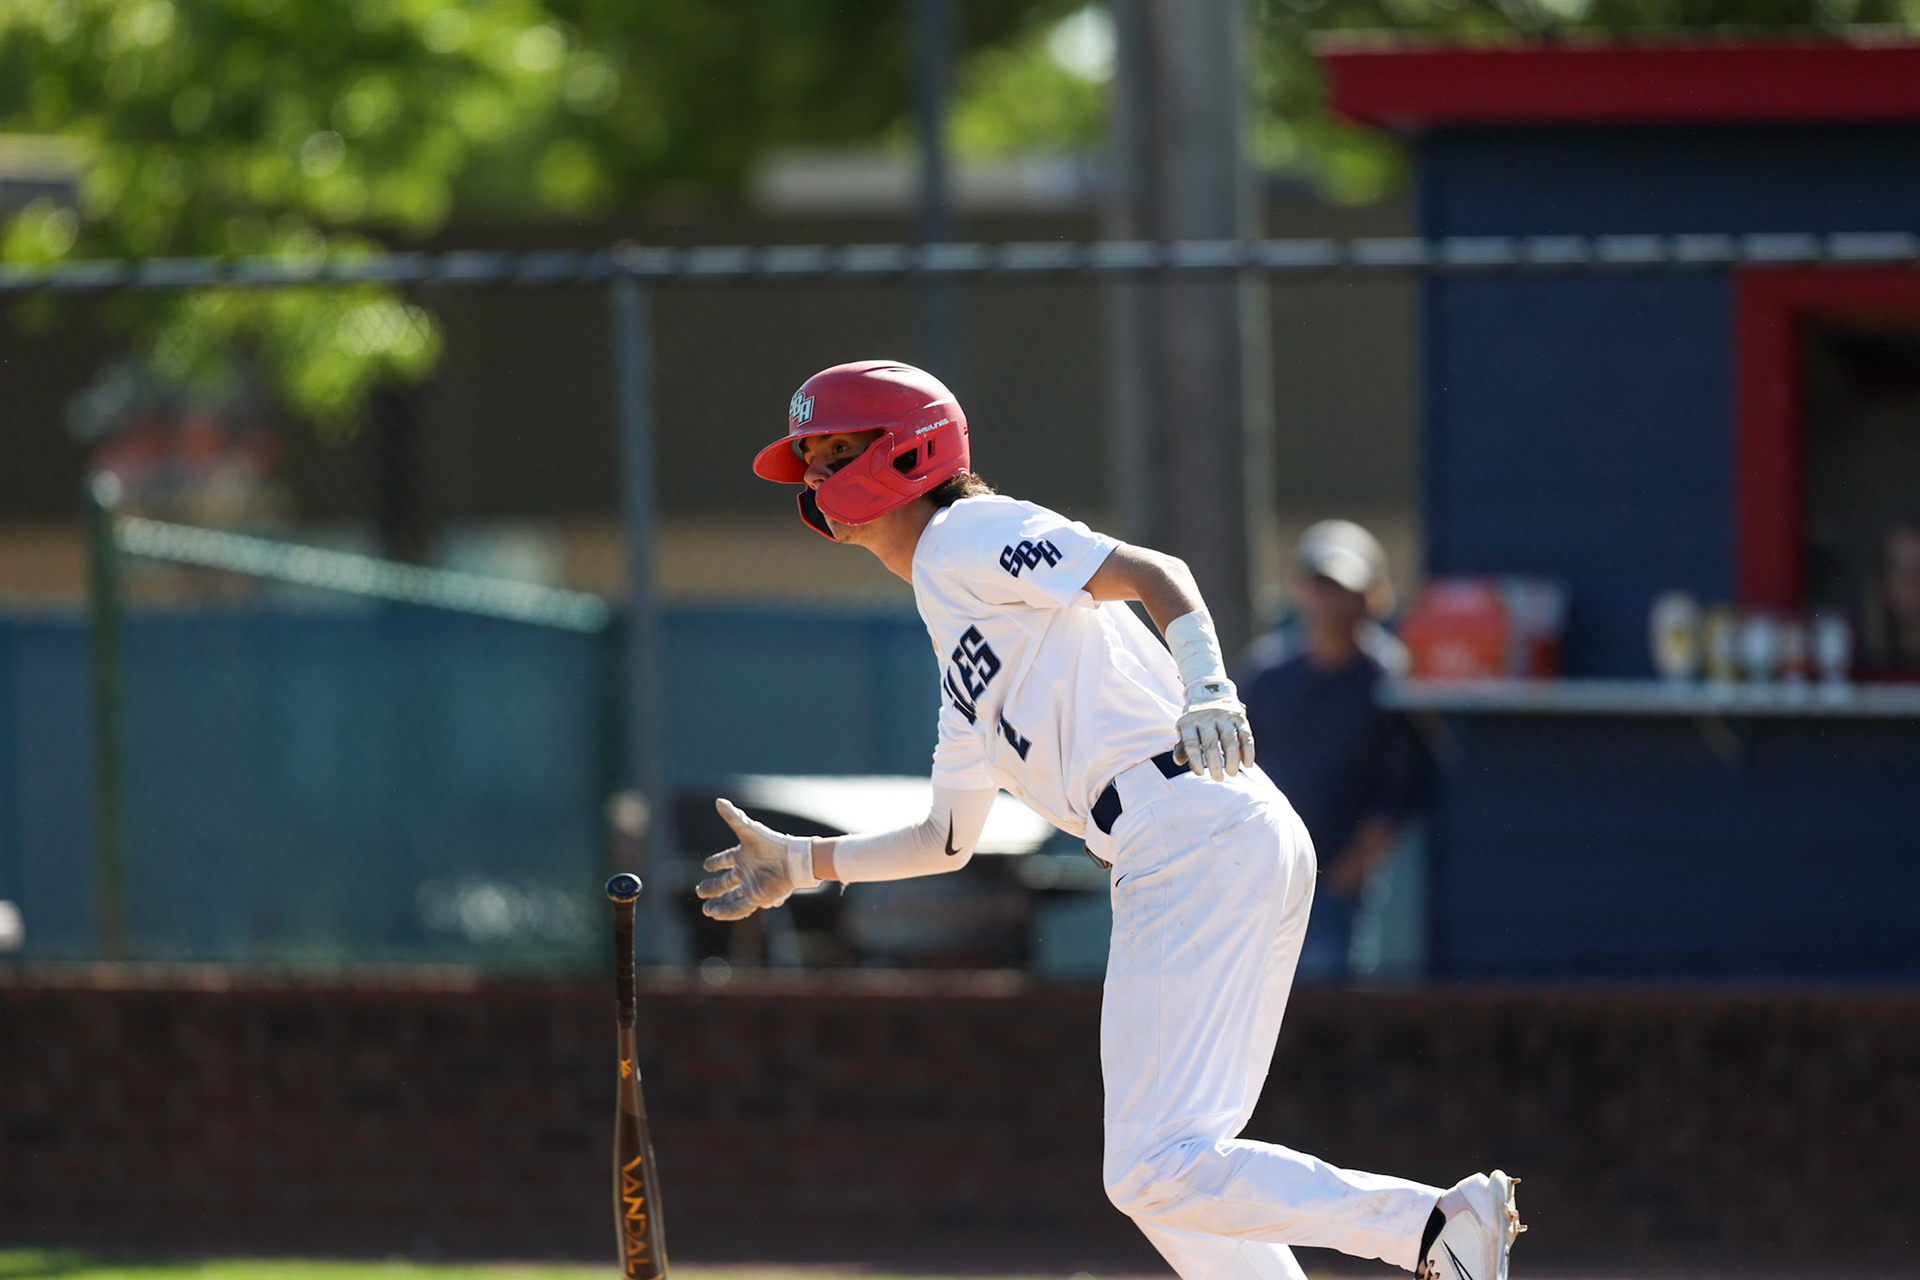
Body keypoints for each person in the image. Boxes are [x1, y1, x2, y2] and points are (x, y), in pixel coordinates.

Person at [696, 361, 1522, 1280]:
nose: (812, 479)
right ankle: (1432, 1231)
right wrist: (801, 863)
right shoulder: (956, 626)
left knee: (1150, 1169)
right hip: (1204, 837)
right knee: (1177, 1172)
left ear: (909, 452)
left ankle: (1431, 1228)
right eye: (805, 460)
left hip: (1188, 829)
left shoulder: (964, 532)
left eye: (831, 451)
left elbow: (1152, 573)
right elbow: (946, 839)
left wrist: (1210, 685)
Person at [1236, 520, 1428, 982]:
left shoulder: (1393, 679)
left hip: (1339, 886)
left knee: (1329, 1008)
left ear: (1372, 596)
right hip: (1263, 880)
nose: (1327, 600)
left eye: (1339, 587)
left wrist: (1354, 866)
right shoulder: (1266, 674)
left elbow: (1405, 784)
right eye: (1318, 585)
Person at [1860, 520, 1920, 680]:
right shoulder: (1857, 660)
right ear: (1881, 581)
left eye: (1918, 568)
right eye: (1898, 568)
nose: (1909, 580)